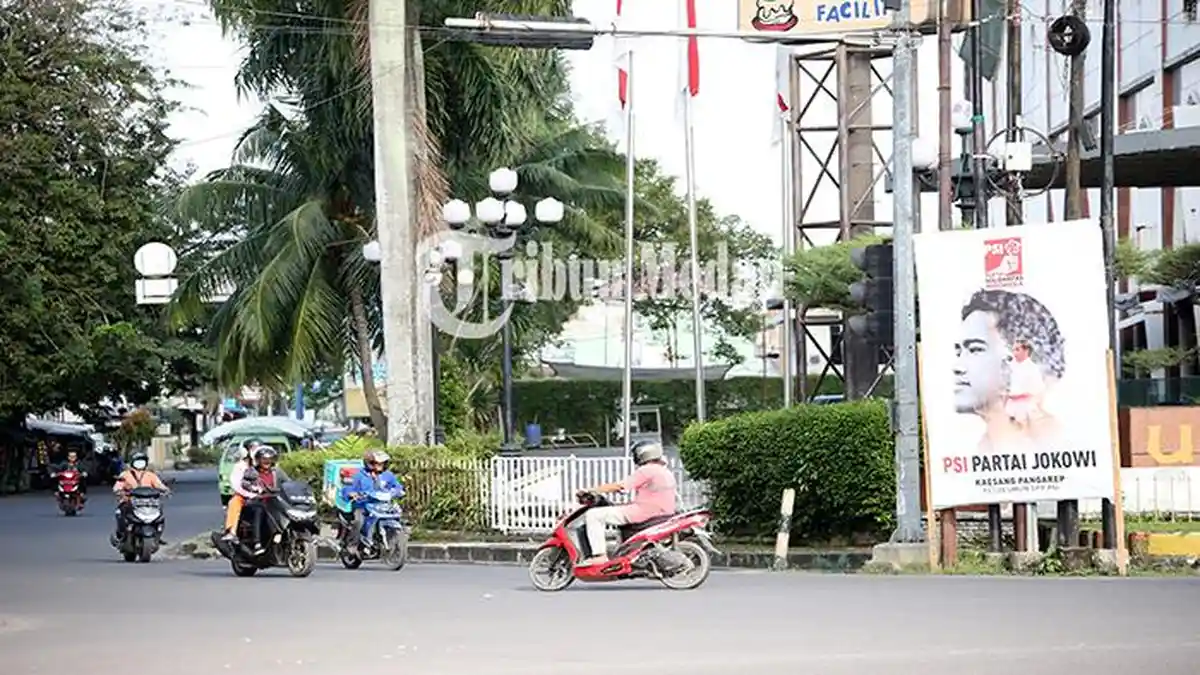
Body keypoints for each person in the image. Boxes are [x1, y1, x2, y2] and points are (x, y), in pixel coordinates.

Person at [953, 289, 1066, 455]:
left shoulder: (1055, 443)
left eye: (975, 349)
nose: (957, 366)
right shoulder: (984, 448)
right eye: (958, 352)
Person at [577, 441, 677, 566]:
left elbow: (621, 486)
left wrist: (592, 490)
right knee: (614, 509)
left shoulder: (646, 470)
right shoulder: (664, 471)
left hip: (643, 512)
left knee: (593, 515)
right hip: (662, 513)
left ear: (643, 454)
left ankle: (599, 556)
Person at [341, 450, 404, 554]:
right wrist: (352, 493)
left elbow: (397, 486)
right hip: (363, 505)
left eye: (382, 463)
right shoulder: (359, 475)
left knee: (396, 515)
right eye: (377, 463)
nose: (380, 466)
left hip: (382, 505)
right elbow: (348, 488)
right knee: (359, 521)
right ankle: (352, 544)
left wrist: (397, 491)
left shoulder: (388, 475)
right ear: (369, 463)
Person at [111, 451, 169, 546]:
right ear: (132, 462)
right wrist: (119, 491)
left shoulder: (150, 475)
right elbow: (118, 486)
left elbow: (159, 485)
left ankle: (157, 535)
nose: (140, 464)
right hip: (130, 501)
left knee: (160, 515)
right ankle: (121, 535)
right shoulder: (125, 474)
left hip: (149, 502)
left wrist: (165, 490)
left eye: (142, 461)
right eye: (137, 461)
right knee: (120, 513)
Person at [241, 446, 291, 554]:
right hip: (256, 502)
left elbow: (288, 483)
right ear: (258, 460)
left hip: (274, 501)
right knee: (260, 510)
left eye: (269, 460)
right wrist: (255, 489)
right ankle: (257, 543)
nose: (267, 462)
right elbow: (245, 483)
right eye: (264, 460)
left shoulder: (277, 471)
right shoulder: (252, 471)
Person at [220, 439, 262, 543]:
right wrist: (250, 494)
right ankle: (232, 532)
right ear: (246, 451)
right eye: (253, 448)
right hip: (245, 496)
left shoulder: (265, 465)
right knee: (234, 502)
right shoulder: (240, 466)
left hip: (265, 495)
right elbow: (236, 485)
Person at [1004, 340, 1047, 427]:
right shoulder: (1011, 365)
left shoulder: (1032, 368)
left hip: (1025, 406)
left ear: (1026, 351)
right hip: (1010, 405)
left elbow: (1038, 389)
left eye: (1017, 349)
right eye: (1013, 350)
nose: (1014, 353)